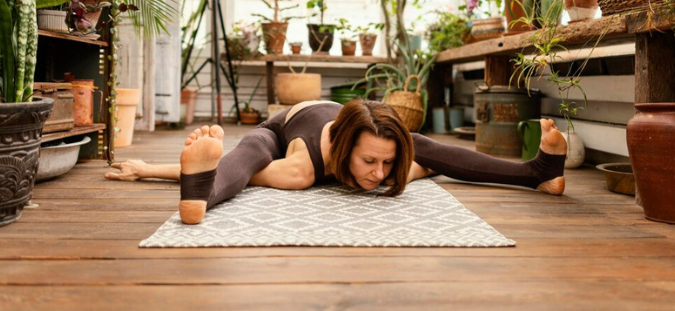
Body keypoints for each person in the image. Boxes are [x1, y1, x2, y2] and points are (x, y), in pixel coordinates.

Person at [105, 99, 567, 225]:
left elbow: (445, 160)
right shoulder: (304, 162)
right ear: (344, 151)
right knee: (251, 162)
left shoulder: (381, 147)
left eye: (386, 165)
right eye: (370, 162)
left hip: (358, 118)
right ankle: (198, 191)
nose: (379, 175)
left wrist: (410, 163)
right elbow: (241, 167)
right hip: (286, 124)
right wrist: (148, 168)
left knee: (431, 155)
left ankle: (539, 173)